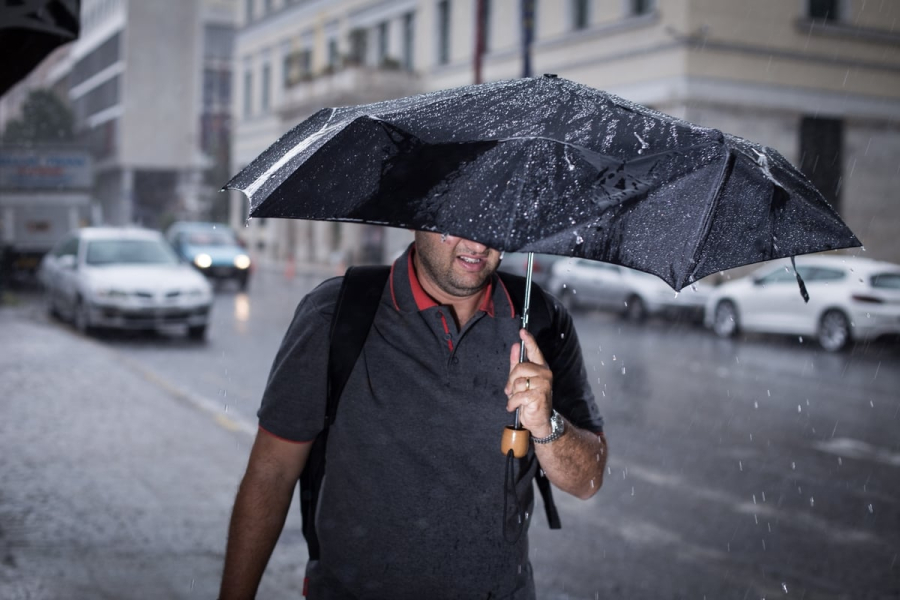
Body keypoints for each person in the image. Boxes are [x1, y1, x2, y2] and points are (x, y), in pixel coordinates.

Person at [219, 232, 607, 599]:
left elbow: (587, 479)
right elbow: (272, 472)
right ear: (419, 215)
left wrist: (546, 424)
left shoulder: (541, 320)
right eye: (458, 222)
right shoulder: (336, 314)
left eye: (489, 223)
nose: (476, 242)